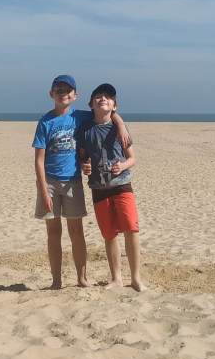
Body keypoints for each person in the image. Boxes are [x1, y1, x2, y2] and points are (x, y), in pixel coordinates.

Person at [32, 74, 128, 289]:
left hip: (73, 182)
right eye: (59, 90)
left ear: (75, 96)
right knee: (53, 232)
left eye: (68, 90)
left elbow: (107, 113)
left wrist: (120, 124)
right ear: (51, 94)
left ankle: (81, 278)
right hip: (49, 182)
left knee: (76, 231)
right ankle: (56, 280)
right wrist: (43, 191)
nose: (63, 93)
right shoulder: (45, 121)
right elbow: (38, 160)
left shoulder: (81, 117)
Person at [78, 83, 145, 291]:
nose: (103, 99)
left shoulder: (119, 128)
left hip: (122, 185)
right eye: (98, 96)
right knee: (109, 234)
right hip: (98, 187)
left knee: (131, 229)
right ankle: (116, 278)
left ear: (114, 105)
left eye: (108, 97)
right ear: (91, 104)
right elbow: (83, 158)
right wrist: (85, 166)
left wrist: (123, 165)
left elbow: (132, 158)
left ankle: (136, 278)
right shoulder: (85, 130)